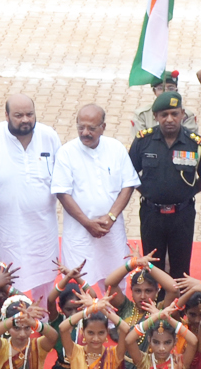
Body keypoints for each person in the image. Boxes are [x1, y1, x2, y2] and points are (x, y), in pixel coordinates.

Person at [0, 95, 61, 301]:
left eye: (30, 114)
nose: (25, 120)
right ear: (6, 116)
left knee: (45, 282)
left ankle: (44, 328)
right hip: (2, 232)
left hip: (42, 231)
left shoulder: (49, 137)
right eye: (18, 115)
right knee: (2, 283)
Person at [128, 90, 201, 279]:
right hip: (151, 215)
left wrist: (186, 193)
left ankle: (180, 308)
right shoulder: (143, 141)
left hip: (182, 215)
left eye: (174, 113)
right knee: (152, 267)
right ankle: (153, 306)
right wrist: (147, 191)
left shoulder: (195, 144)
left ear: (182, 114)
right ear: (155, 117)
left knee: (181, 270)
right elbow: (129, 173)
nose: (170, 119)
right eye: (164, 115)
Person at [52, 104, 138, 279]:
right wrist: (87, 223)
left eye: (91, 128)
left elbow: (128, 185)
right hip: (80, 231)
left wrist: (111, 217)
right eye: (81, 127)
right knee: (78, 285)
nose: (85, 132)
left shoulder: (116, 148)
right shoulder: (66, 153)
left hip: (111, 231)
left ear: (103, 127)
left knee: (115, 282)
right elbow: (62, 193)